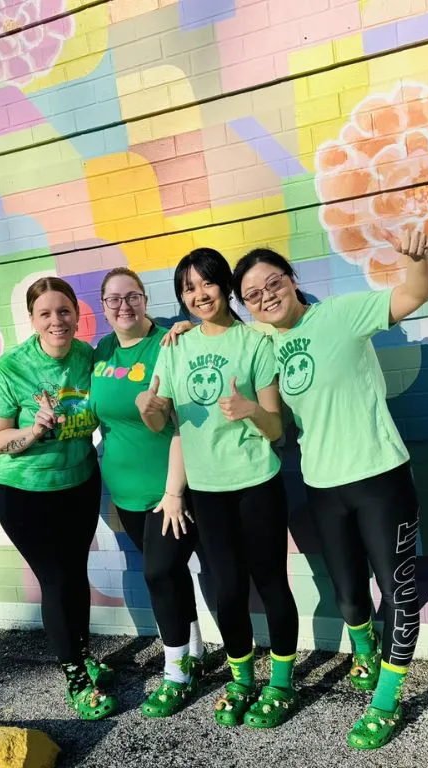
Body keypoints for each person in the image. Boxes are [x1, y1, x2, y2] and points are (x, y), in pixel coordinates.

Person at [231, 229, 428, 749]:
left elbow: (412, 295)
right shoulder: (261, 341)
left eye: (272, 283)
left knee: (398, 592)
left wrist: (417, 262)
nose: (265, 297)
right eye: (252, 295)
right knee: (348, 596)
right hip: (322, 485)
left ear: (292, 280)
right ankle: (364, 654)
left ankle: (386, 701)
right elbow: (218, 334)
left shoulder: (340, 314)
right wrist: (182, 328)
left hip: (379, 477)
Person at [137, 248, 300, 729]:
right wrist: (148, 404)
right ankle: (242, 679)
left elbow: (278, 430)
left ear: (224, 285)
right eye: (188, 288)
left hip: (257, 484)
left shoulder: (255, 343)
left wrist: (250, 409)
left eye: (205, 283)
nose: (198, 295)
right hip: (207, 491)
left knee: (271, 583)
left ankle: (282, 682)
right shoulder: (175, 346)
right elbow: (160, 421)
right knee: (227, 590)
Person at [0, 276, 115, 721]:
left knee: (76, 574)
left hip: (78, 482)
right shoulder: (11, 369)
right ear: (33, 320)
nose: (56, 320)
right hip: (23, 492)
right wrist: (33, 431)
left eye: (64, 311)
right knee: (56, 579)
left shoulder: (88, 357)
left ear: (77, 315)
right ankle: (76, 678)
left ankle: (81, 654)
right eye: (46, 313)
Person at [89, 266, 205, 718]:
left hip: (171, 489)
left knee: (158, 573)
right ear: (103, 307)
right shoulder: (101, 351)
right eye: (114, 299)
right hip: (126, 493)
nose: (124, 306)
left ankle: (176, 673)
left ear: (145, 300)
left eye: (132, 297)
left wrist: (174, 492)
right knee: (169, 574)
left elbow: (182, 420)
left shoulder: (169, 342)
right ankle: (193, 650)